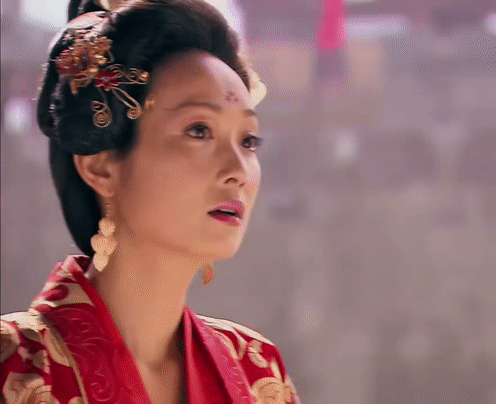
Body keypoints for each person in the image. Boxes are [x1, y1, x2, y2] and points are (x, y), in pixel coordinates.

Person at [0, 0, 297, 403]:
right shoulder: (15, 366)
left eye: (248, 140)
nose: (239, 171)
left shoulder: (257, 371)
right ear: (100, 166)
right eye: (199, 130)